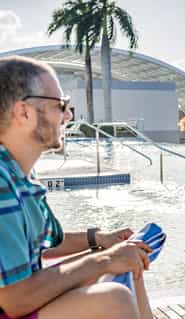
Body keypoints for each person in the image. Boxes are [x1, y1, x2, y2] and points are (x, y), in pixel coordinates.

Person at [0, 56, 153, 319]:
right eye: (61, 105)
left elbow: (45, 243)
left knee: (128, 261)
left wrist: (100, 241)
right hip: (12, 303)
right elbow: (14, 299)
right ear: (23, 112)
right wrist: (103, 259)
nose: (68, 115)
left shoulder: (20, 176)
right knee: (113, 299)